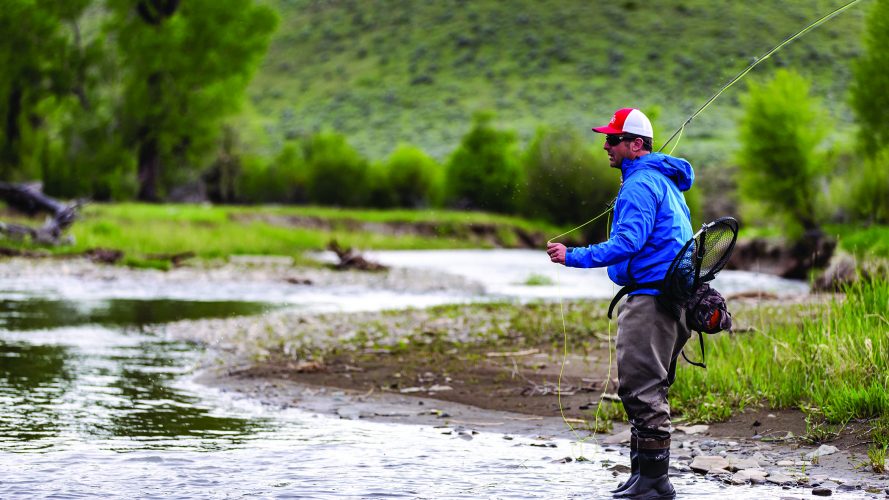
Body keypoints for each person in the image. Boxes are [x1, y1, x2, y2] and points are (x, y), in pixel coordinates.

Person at [546, 108, 694, 500]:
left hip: (651, 301)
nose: (605, 145)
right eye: (607, 138)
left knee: (642, 389)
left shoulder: (640, 185)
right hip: (671, 300)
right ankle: (640, 476)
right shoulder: (664, 182)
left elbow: (627, 243)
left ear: (636, 145)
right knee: (648, 387)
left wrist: (572, 256)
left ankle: (656, 483)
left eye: (613, 139)